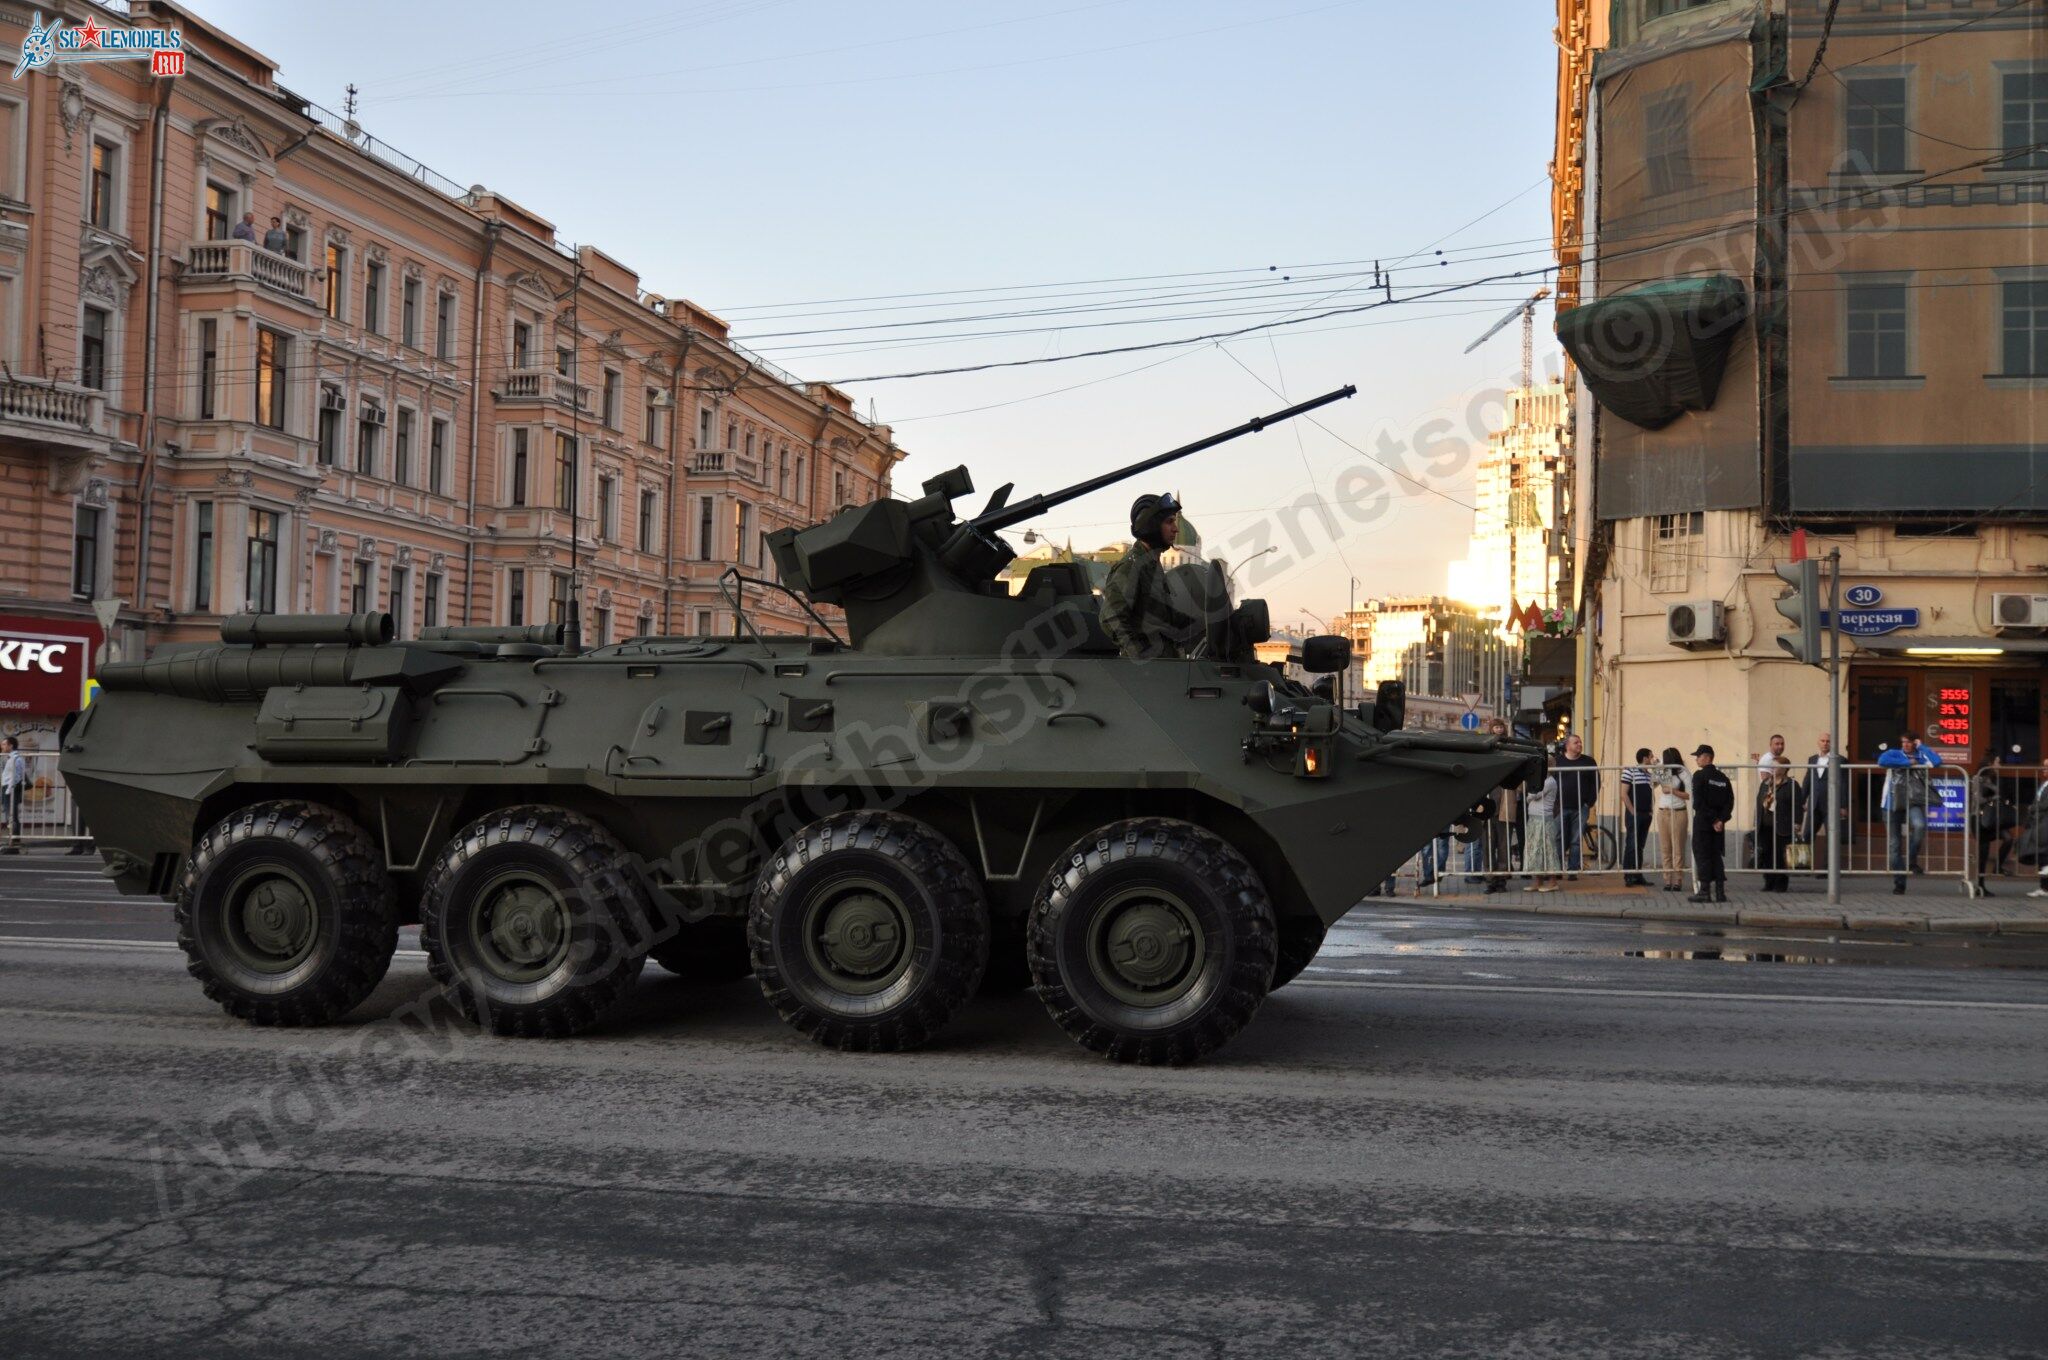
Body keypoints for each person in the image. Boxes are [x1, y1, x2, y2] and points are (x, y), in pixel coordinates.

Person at [1100, 492, 1196, 660]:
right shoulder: (1132, 567)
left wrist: (1202, 622)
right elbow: (1111, 618)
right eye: (1169, 522)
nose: (1176, 528)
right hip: (1149, 670)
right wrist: (1141, 656)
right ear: (1151, 525)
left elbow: (1161, 618)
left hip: (1165, 663)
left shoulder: (1152, 566)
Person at [1879, 731, 1942, 895]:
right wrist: (1908, 762)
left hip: (1912, 801)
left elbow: (1937, 762)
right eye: (1903, 742)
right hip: (1891, 803)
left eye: (1909, 742)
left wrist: (1922, 747)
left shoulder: (1921, 754)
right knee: (1894, 846)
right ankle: (1899, 883)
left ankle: (1911, 859)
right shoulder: (1894, 753)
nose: (1905, 745)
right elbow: (1882, 761)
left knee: (1920, 826)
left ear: (1915, 742)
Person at [1687, 744, 1734, 904]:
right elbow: (1729, 802)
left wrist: (1713, 820)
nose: (1696, 759)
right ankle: (1720, 893)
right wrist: (1721, 820)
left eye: (1698, 756)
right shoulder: (1723, 778)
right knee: (1716, 856)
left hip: (1704, 822)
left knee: (1702, 855)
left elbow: (1698, 803)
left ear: (1707, 757)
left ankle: (1704, 891)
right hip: (1718, 825)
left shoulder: (1699, 776)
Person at [1755, 755, 1806, 892]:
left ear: (1784, 769)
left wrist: (1797, 822)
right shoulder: (1766, 783)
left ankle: (1780, 884)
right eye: (1771, 765)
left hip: (1782, 825)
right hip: (1765, 825)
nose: (1772, 768)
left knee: (1780, 856)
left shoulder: (1791, 785)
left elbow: (1798, 805)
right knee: (1766, 854)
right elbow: (1759, 802)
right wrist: (1757, 820)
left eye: (1775, 766)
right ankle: (1768, 882)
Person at [1554, 733, 1599, 878]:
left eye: (1580, 742)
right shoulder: (1557, 761)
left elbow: (1596, 782)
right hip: (1560, 807)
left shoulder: (1589, 761)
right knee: (1558, 838)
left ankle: (1573, 870)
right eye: (1576, 742)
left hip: (1581, 807)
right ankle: (1557, 869)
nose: (1580, 744)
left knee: (1576, 840)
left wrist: (1589, 802)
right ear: (1567, 746)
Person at [1803, 734, 1846, 878]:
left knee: (1831, 837)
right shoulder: (1812, 759)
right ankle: (1803, 866)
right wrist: (1801, 800)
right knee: (1807, 834)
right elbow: (1808, 780)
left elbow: (1844, 784)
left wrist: (1843, 805)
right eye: (1823, 741)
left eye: (1828, 741)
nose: (1825, 743)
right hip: (1814, 804)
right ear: (1818, 742)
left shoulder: (1840, 760)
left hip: (1832, 805)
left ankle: (1828, 870)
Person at [1973, 756, 2018, 892]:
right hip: (1979, 818)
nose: (2000, 765)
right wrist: (1993, 797)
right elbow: (1978, 799)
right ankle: (1980, 885)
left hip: (1992, 818)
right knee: (1983, 851)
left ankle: (1998, 866)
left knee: (2008, 838)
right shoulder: (1978, 778)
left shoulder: (1993, 778)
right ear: (1989, 764)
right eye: (1997, 762)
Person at [1524, 752, 1564, 892]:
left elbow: (1533, 796)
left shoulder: (1549, 782)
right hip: (1534, 819)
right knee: (1536, 850)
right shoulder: (1542, 781)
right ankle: (1538, 881)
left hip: (1543, 820)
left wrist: (1530, 796)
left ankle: (1553, 882)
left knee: (1547, 850)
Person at [1652, 746, 1689, 892]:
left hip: (1678, 811)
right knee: (1665, 847)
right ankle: (1667, 880)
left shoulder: (1683, 772)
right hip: (1663, 811)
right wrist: (1656, 769)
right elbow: (1653, 784)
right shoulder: (1663, 770)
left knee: (1678, 847)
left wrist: (1673, 791)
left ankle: (1678, 880)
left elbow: (1689, 794)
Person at [1620, 747, 1655, 887]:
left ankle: (1638, 874)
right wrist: (1632, 811)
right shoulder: (1630, 771)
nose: (1653, 759)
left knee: (1640, 845)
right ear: (1645, 758)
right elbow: (1624, 793)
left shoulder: (1649, 774)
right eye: (1651, 756)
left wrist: (1650, 811)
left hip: (1646, 814)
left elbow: (1655, 786)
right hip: (1635, 813)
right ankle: (1628, 875)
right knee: (1632, 844)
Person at [0, 736, 24, 852]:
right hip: (7, 788)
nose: (2, 746)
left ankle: (14, 843)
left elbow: (17, 776)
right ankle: (13, 841)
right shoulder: (9, 757)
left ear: (11, 746)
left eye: (4, 744)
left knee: (12, 816)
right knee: (10, 816)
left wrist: (8, 789)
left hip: (11, 789)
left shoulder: (16, 758)